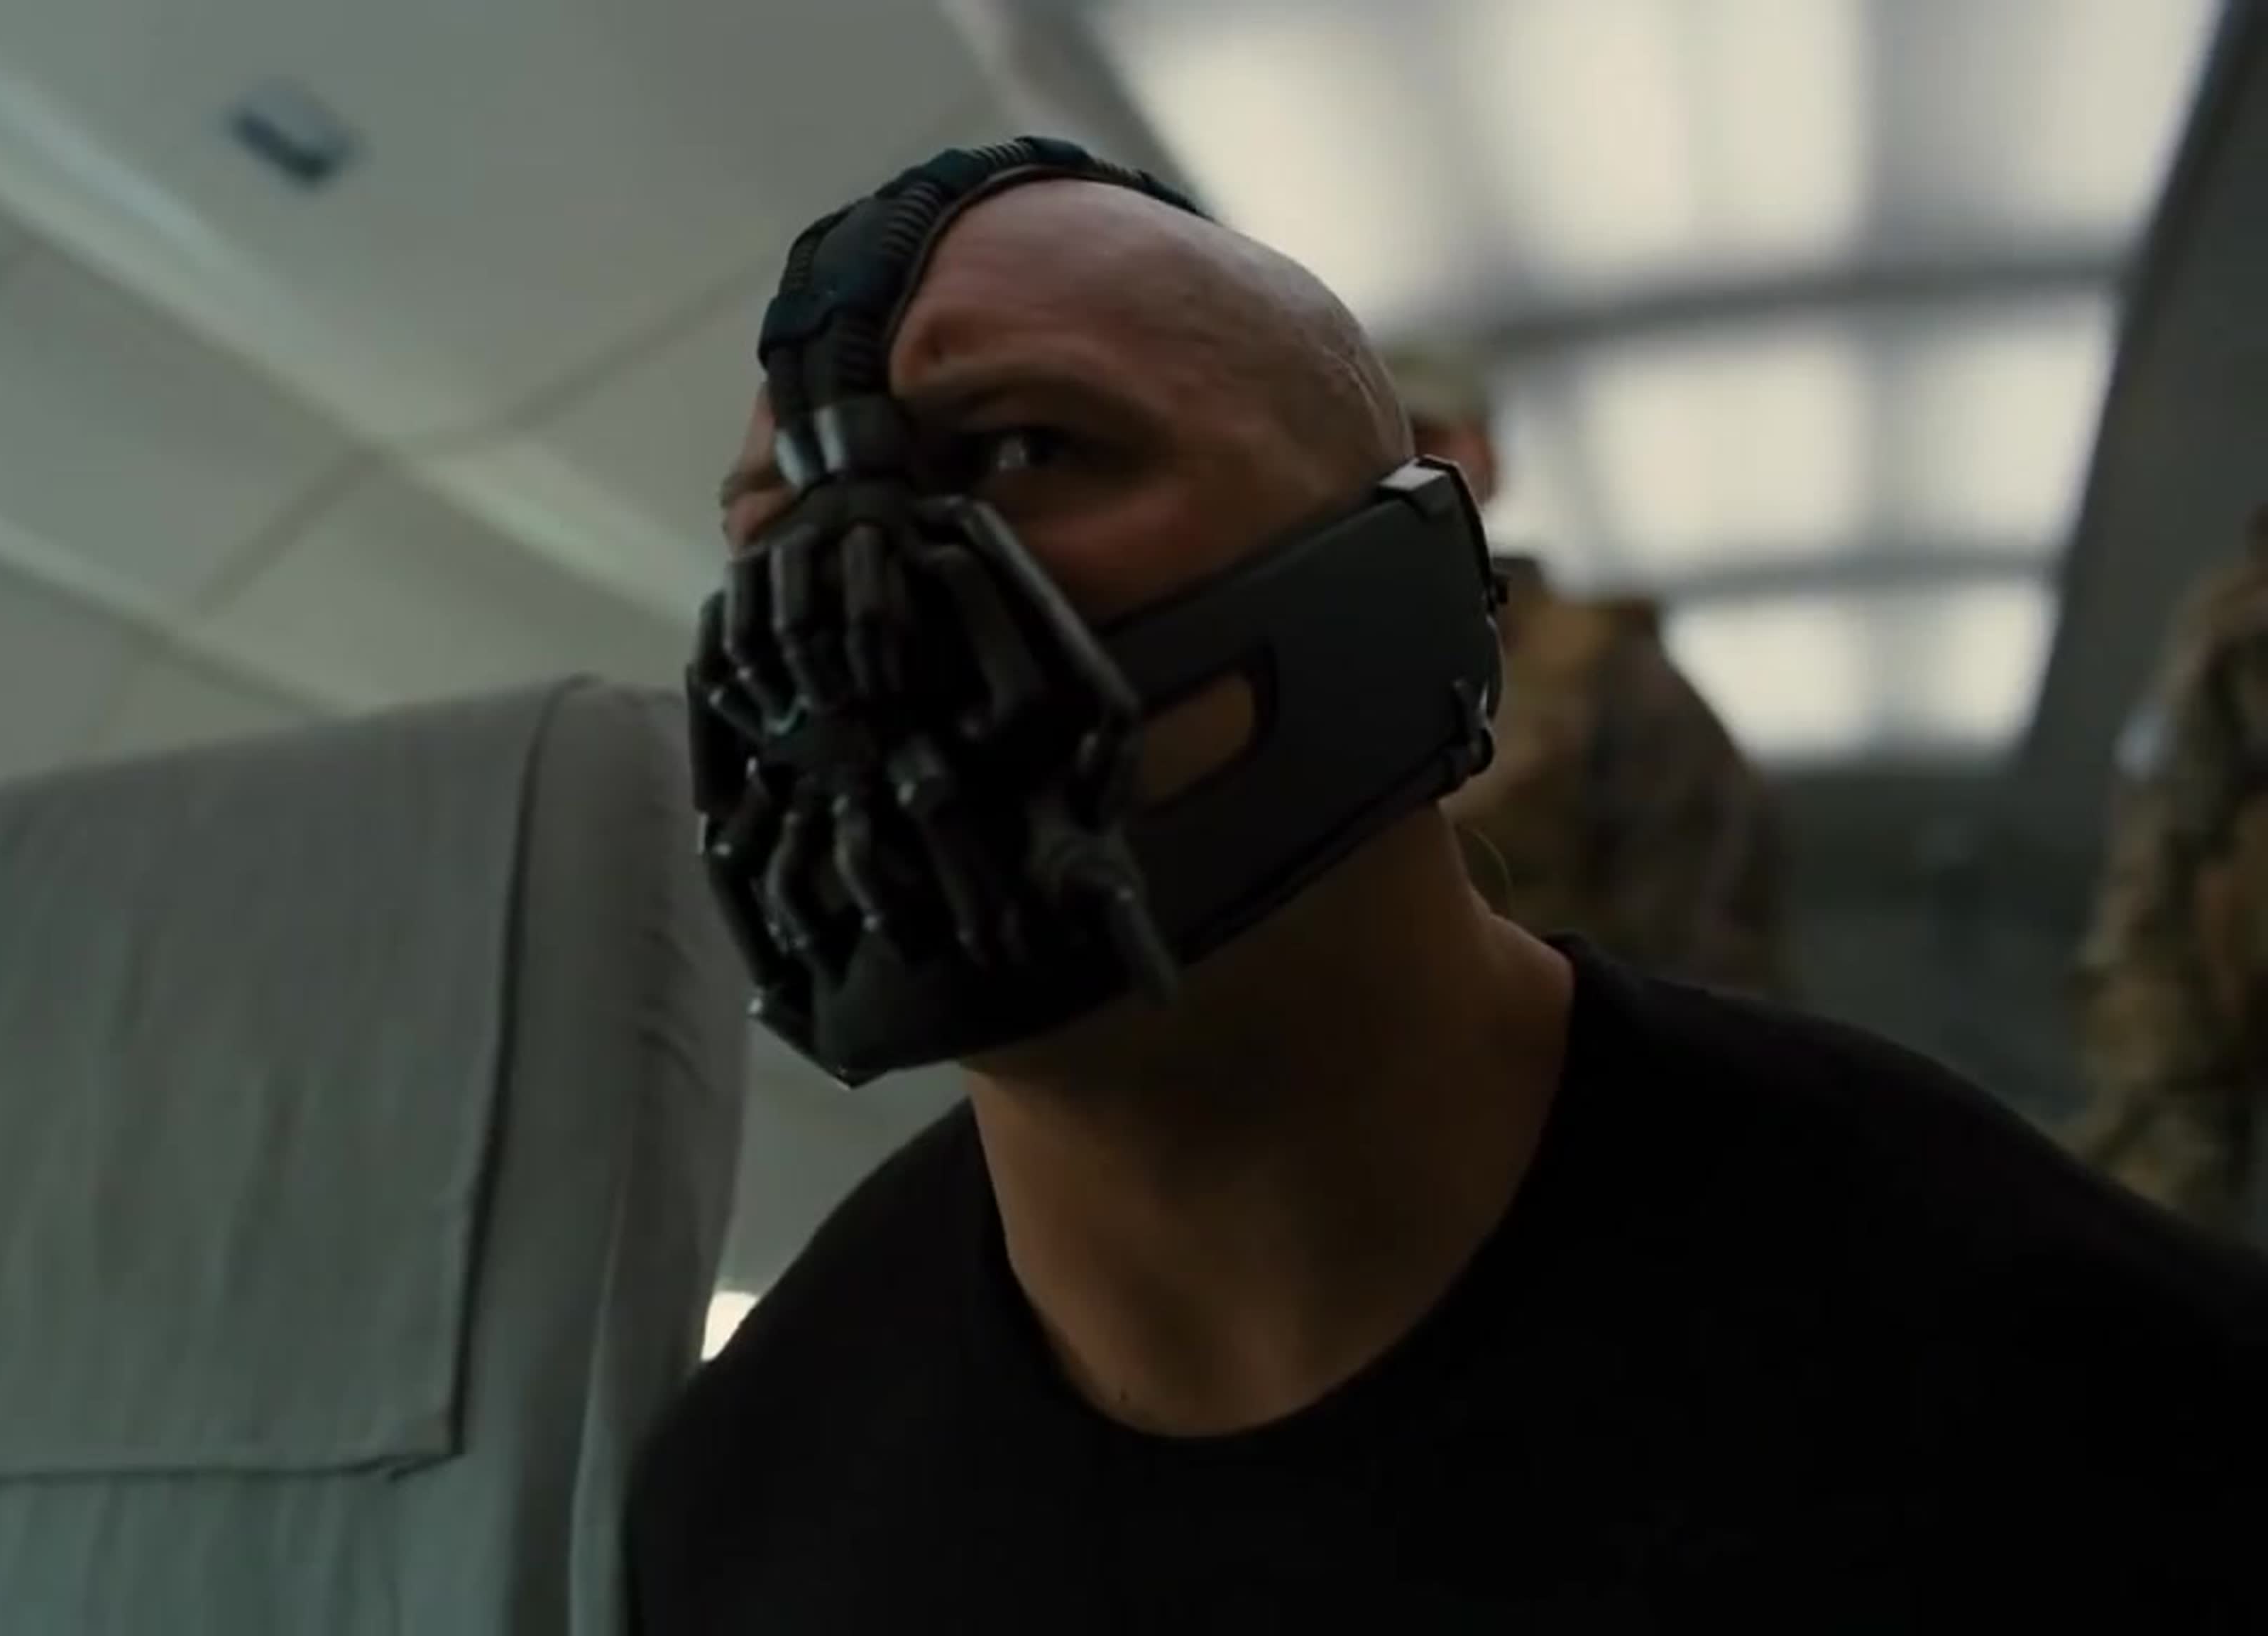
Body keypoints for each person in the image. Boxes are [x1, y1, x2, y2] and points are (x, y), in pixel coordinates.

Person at [633, 143, 2268, 1630]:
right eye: (769, 529)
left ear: (1404, 581)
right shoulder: (745, 1502)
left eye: (1023, 448)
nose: (846, 608)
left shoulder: (2061, 1391)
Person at [1388, 343, 1787, 996]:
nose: (1397, 472)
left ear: (1484, 461)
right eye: (1374, 450)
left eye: (1423, 440)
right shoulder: (1307, 667)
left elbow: (1705, 938)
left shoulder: (1606, 672)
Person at [2073, 508, 2268, 1239]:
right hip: (2176, 981)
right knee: (2166, 1187)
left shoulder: (2222, 613)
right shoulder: (2240, 625)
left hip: (2160, 966)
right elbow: (2211, 845)